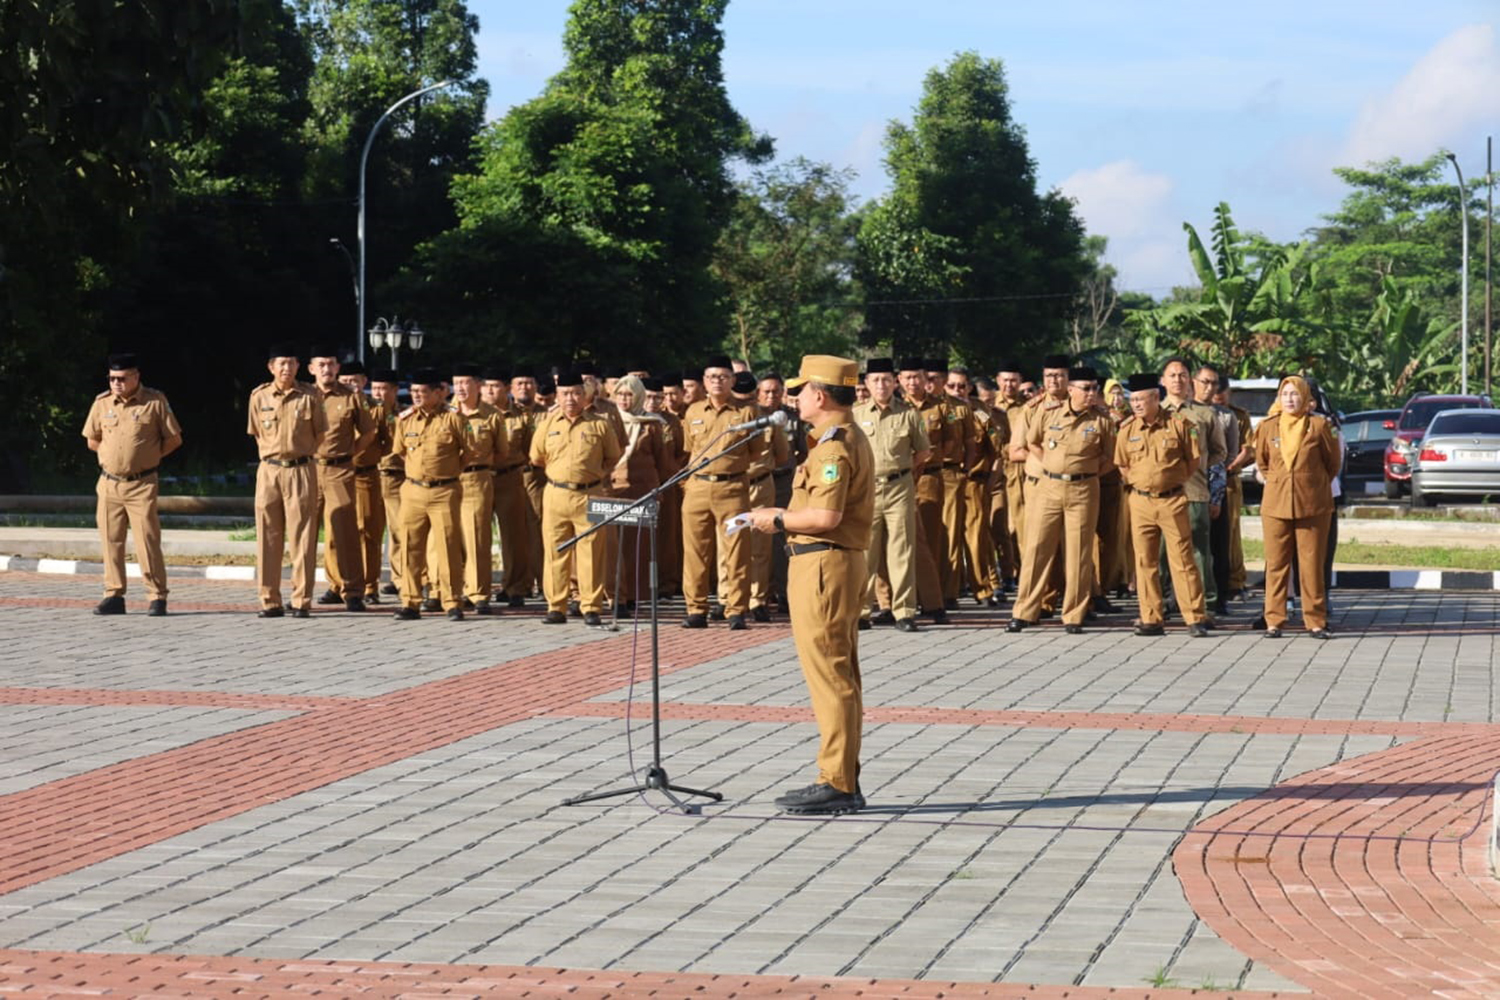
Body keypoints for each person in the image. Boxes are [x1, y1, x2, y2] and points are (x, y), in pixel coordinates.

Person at [748, 354, 873, 816]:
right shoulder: (834, 440)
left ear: (820, 395)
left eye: (800, 391)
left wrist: (773, 517)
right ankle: (842, 776)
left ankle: (837, 781)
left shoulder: (835, 448)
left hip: (824, 564)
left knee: (830, 674)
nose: (794, 398)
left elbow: (825, 517)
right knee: (836, 672)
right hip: (825, 563)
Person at [1007, 366, 1116, 634]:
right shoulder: (1048, 412)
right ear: (1072, 390)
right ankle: (1024, 612)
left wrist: (1087, 473)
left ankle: (1074, 615)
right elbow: (1032, 443)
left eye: (1094, 388)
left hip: (1083, 490)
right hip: (1050, 487)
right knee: (1037, 549)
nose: (1092, 393)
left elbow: (1112, 457)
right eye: (1086, 388)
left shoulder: (1102, 419)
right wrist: (1053, 466)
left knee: (1078, 552)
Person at [82, 352, 182, 616]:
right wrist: (108, 457)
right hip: (109, 484)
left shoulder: (154, 402)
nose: (116, 383)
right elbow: (92, 439)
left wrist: (149, 457)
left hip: (142, 483)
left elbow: (173, 439)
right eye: (112, 378)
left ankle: (156, 596)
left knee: (147, 541)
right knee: (110, 540)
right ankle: (114, 594)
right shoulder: (102, 403)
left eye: (122, 378)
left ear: (136, 377)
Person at [1113, 373, 1209, 637]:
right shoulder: (1127, 429)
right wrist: (1140, 482)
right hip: (1140, 501)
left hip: (1173, 500)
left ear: (1156, 398)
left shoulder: (1179, 424)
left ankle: (1194, 618)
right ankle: (1151, 618)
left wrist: (1171, 482)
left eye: (1141, 399)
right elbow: (1122, 464)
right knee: (1144, 561)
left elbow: (1192, 461)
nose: (1136, 405)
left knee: (1182, 559)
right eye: (1132, 400)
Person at [529, 368, 623, 626]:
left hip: (590, 493)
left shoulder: (600, 424)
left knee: (592, 550)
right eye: (565, 394)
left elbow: (613, 457)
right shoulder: (547, 424)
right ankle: (556, 606)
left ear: (585, 396)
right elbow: (536, 457)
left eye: (576, 393)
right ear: (557, 397)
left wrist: (595, 474)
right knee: (555, 550)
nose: (570, 398)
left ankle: (591, 606)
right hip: (556, 493)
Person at [679, 355, 765, 630]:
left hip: (733, 489)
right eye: (712, 377)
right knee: (695, 552)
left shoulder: (747, 412)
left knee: (737, 550)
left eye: (723, 376)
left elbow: (755, 451)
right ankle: (696, 609)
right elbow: (688, 449)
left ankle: (736, 610)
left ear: (733, 380)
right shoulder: (692, 411)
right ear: (704, 381)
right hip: (698, 488)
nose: (717, 381)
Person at [1255, 375, 1341, 638]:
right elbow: (1263, 463)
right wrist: (1283, 482)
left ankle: (1315, 620)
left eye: (1295, 394)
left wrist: (1308, 482)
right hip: (1276, 503)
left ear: (1305, 398)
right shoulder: (1268, 427)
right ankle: (1274, 619)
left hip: (1312, 503)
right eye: (1285, 394)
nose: (1290, 399)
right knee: (1276, 563)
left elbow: (1332, 464)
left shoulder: (1319, 426)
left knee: (1311, 563)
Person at [247, 343, 327, 618]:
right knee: (267, 535)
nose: (286, 368)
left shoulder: (310, 395)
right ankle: (269, 599)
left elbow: (320, 434)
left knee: (303, 535)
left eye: (291, 363)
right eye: (281, 363)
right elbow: (257, 433)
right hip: (269, 470)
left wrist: (298, 453)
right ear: (271, 367)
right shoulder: (258, 397)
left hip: (300, 469)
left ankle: (301, 600)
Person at [390, 369, 475, 621]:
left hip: (444, 491)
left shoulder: (454, 418)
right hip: (413, 490)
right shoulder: (405, 419)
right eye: (414, 391)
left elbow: (469, 452)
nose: (417, 396)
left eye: (423, 392)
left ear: (438, 393)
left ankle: (452, 602)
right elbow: (402, 452)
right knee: (409, 546)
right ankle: (410, 601)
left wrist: (450, 472)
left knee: (448, 548)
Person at [853, 358, 929, 631]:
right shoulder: (856, 414)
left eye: (886, 380)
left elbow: (922, 452)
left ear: (895, 383)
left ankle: (904, 611)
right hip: (867, 489)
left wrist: (908, 476)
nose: (881, 385)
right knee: (865, 552)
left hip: (900, 486)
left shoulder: (909, 414)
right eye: (875, 380)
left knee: (902, 549)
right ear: (866, 384)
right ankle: (862, 610)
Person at [309, 345, 376, 613]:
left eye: (331, 364)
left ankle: (353, 591)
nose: (327, 369)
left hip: (339, 469)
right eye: (321, 364)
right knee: (304, 533)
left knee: (346, 532)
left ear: (338, 368)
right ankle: (301, 591)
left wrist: (350, 453)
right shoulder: (303, 395)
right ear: (312, 368)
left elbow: (369, 433)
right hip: (309, 470)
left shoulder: (350, 397)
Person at [1159, 358, 1226, 617]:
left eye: (1182, 375)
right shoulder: (1155, 411)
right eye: (1172, 375)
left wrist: (1213, 489)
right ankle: (1165, 601)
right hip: (1161, 493)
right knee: (1162, 551)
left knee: (1199, 551)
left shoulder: (1204, 414)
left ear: (1190, 381)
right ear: (1163, 381)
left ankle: (1205, 602)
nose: (1177, 380)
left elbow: (1219, 453)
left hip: (1195, 491)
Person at [608, 374, 676, 610]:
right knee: (613, 547)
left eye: (629, 394)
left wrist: (659, 489)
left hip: (642, 492)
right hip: (613, 491)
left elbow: (662, 462)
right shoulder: (607, 421)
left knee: (637, 547)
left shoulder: (652, 424)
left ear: (638, 396)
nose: (624, 399)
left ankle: (634, 596)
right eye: (620, 394)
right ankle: (615, 595)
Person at [451, 362, 508, 615]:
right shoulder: (445, 412)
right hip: (446, 481)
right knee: (444, 539)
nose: (460, 388)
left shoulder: (491, 415)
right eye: (456, 383)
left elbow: (501, 452)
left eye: (465, 383)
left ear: (478, 385)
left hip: (477, 479)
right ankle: (449, 591)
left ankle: (478, 593)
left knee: (476, 537)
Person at [897, 356, 950, 623]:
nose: (912, 382)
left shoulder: (941, 407)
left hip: (929, 477)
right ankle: (905, 599)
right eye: (906, 378)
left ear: (924, 379)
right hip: (899, 481)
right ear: (899, 380)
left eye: (916, 377)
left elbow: (953, 442)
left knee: (929, 540)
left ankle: (933, 598)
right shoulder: (895, 408)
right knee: (898, 543)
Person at [340, 360, 389, 605]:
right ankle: (337, 583)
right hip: (337, 474)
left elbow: (388, 442)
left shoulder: (376, 408)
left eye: (355, 381)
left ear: (364, 382)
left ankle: (370, 585)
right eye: (345, 381)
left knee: (369, 530)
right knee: (335, 533)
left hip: (367, 474)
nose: (351, 385)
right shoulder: (330, 405)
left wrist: (371, 456)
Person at [486, 367, 535, 608]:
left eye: (495, 386)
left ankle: (515, 586)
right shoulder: (473, 415)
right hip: (479, 478)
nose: (489, 391)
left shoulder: (521, 416)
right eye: (486, 386)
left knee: (515, 535)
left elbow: (530, 449)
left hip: (509, 477)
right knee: (473, 535)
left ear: (506, 388)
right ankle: (475, 587)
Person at [1194, 364, 1240, 615]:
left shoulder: (1225, 416)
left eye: (1213, 383)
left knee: (1218, 546)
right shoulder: (1183, 412)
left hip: (1216, 488)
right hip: (1188, 488)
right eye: (1204, 382)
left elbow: (1228, 455)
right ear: (1194, 382)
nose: (1209, 388)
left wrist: (1217, 494)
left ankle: (1220, 597)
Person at [369, 369, 404, 597]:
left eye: (384, 389)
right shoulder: (365, 413)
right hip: (370, 475)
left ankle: (400, 578)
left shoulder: (404, 414)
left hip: (396, 477)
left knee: (399, 531)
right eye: (375, 389)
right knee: (368, 532)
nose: (379, 393)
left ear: (394, 391)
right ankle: (367, 584)